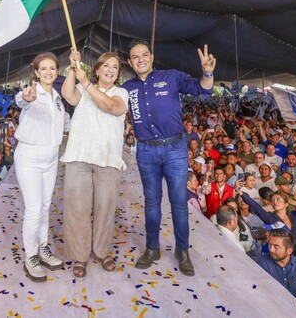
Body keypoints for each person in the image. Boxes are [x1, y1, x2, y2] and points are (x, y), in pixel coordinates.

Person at [122, 39, 215, 276]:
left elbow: (203, 89)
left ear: (152, 57)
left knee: (178, 203)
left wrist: (207, 72)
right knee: (152, 203)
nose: (140, 59)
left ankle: (182, 251)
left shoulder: (172, 77)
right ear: (130, 62)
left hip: (175, 150)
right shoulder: (127, 87)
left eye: (144, 55)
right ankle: (152, 249)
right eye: (135, 57)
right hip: (146, 151)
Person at [61, 49, 129, 279]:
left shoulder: (121, 93)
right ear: (97, 69)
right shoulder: (82, 88)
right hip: (79, 156)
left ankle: (101, 251)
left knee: (104, 209)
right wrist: (73, 68)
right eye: (106, 66)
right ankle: (80, 256)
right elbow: (68, 95)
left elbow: (110, 107)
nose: (110, 70)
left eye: (115, 67)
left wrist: (87, 83)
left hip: (108, 159)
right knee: (77, 209)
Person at [14, 52, 70, 282]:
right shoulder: (31, 94)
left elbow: (67, 124)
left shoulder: (58, 98)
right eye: (43, 68)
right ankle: (31, 257)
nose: (48, 72)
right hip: (29, 157)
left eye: (52, 68)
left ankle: (43, 248)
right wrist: (26, 98)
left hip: (50, 158)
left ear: (57, 72)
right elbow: (21, 100)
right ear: (36, 72)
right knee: (34, 209)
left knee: (46, 206)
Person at [254, 228, 296, 312]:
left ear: (289, 250)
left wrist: (284, 295)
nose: (271, 250)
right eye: (270, 244)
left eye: (276, 247)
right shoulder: (262, 263)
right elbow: (260, 292)